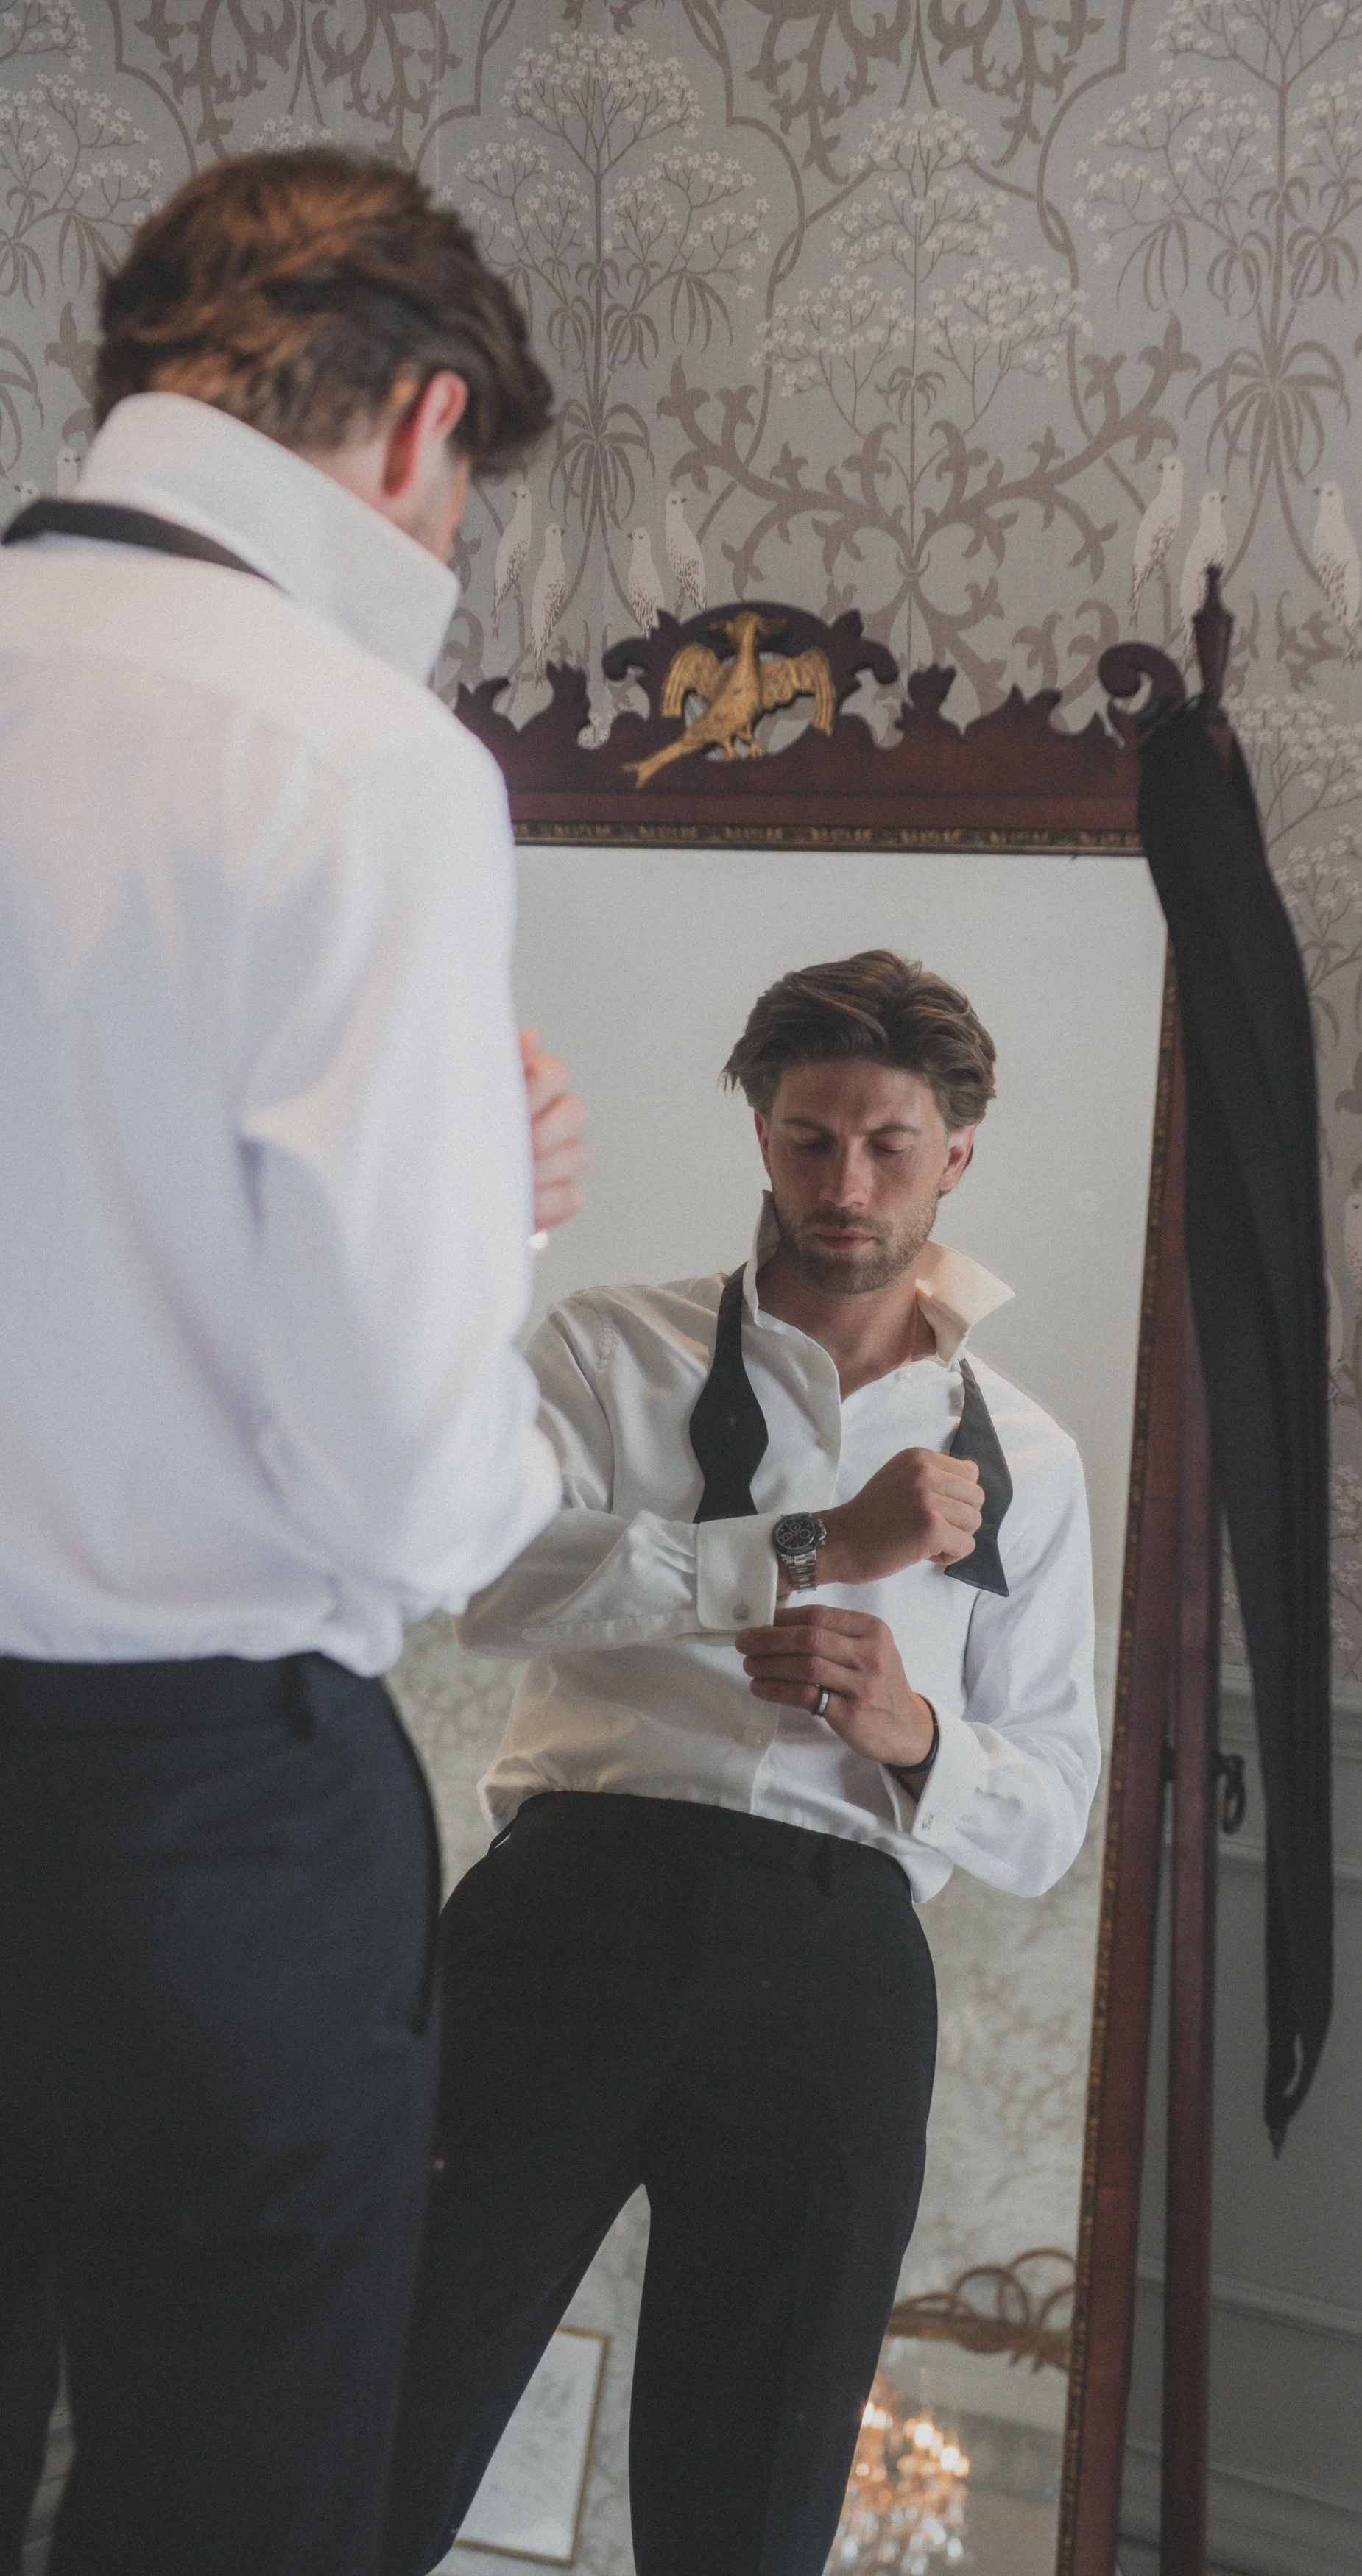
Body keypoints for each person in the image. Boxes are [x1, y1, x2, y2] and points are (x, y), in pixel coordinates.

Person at [0, 150, 586, 2576]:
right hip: (197, 1838)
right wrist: (486, 1245)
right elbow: (408, 1486)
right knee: (223, 2515)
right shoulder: (359, 763)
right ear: (418, 428)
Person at [381, 949, 1102, 2576]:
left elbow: (1050, 1812)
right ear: (761, 1136)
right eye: (806, 1140)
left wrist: (914, 1731)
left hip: (834, 1964)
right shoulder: (604, 1351)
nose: (844, 1184)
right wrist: (797, 1549)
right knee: (385, 2397)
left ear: (957, 1152)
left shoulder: (1030, 1464)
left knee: (747, 2513)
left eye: (888, 1146)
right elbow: (483, 1586)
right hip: (565, 1915)